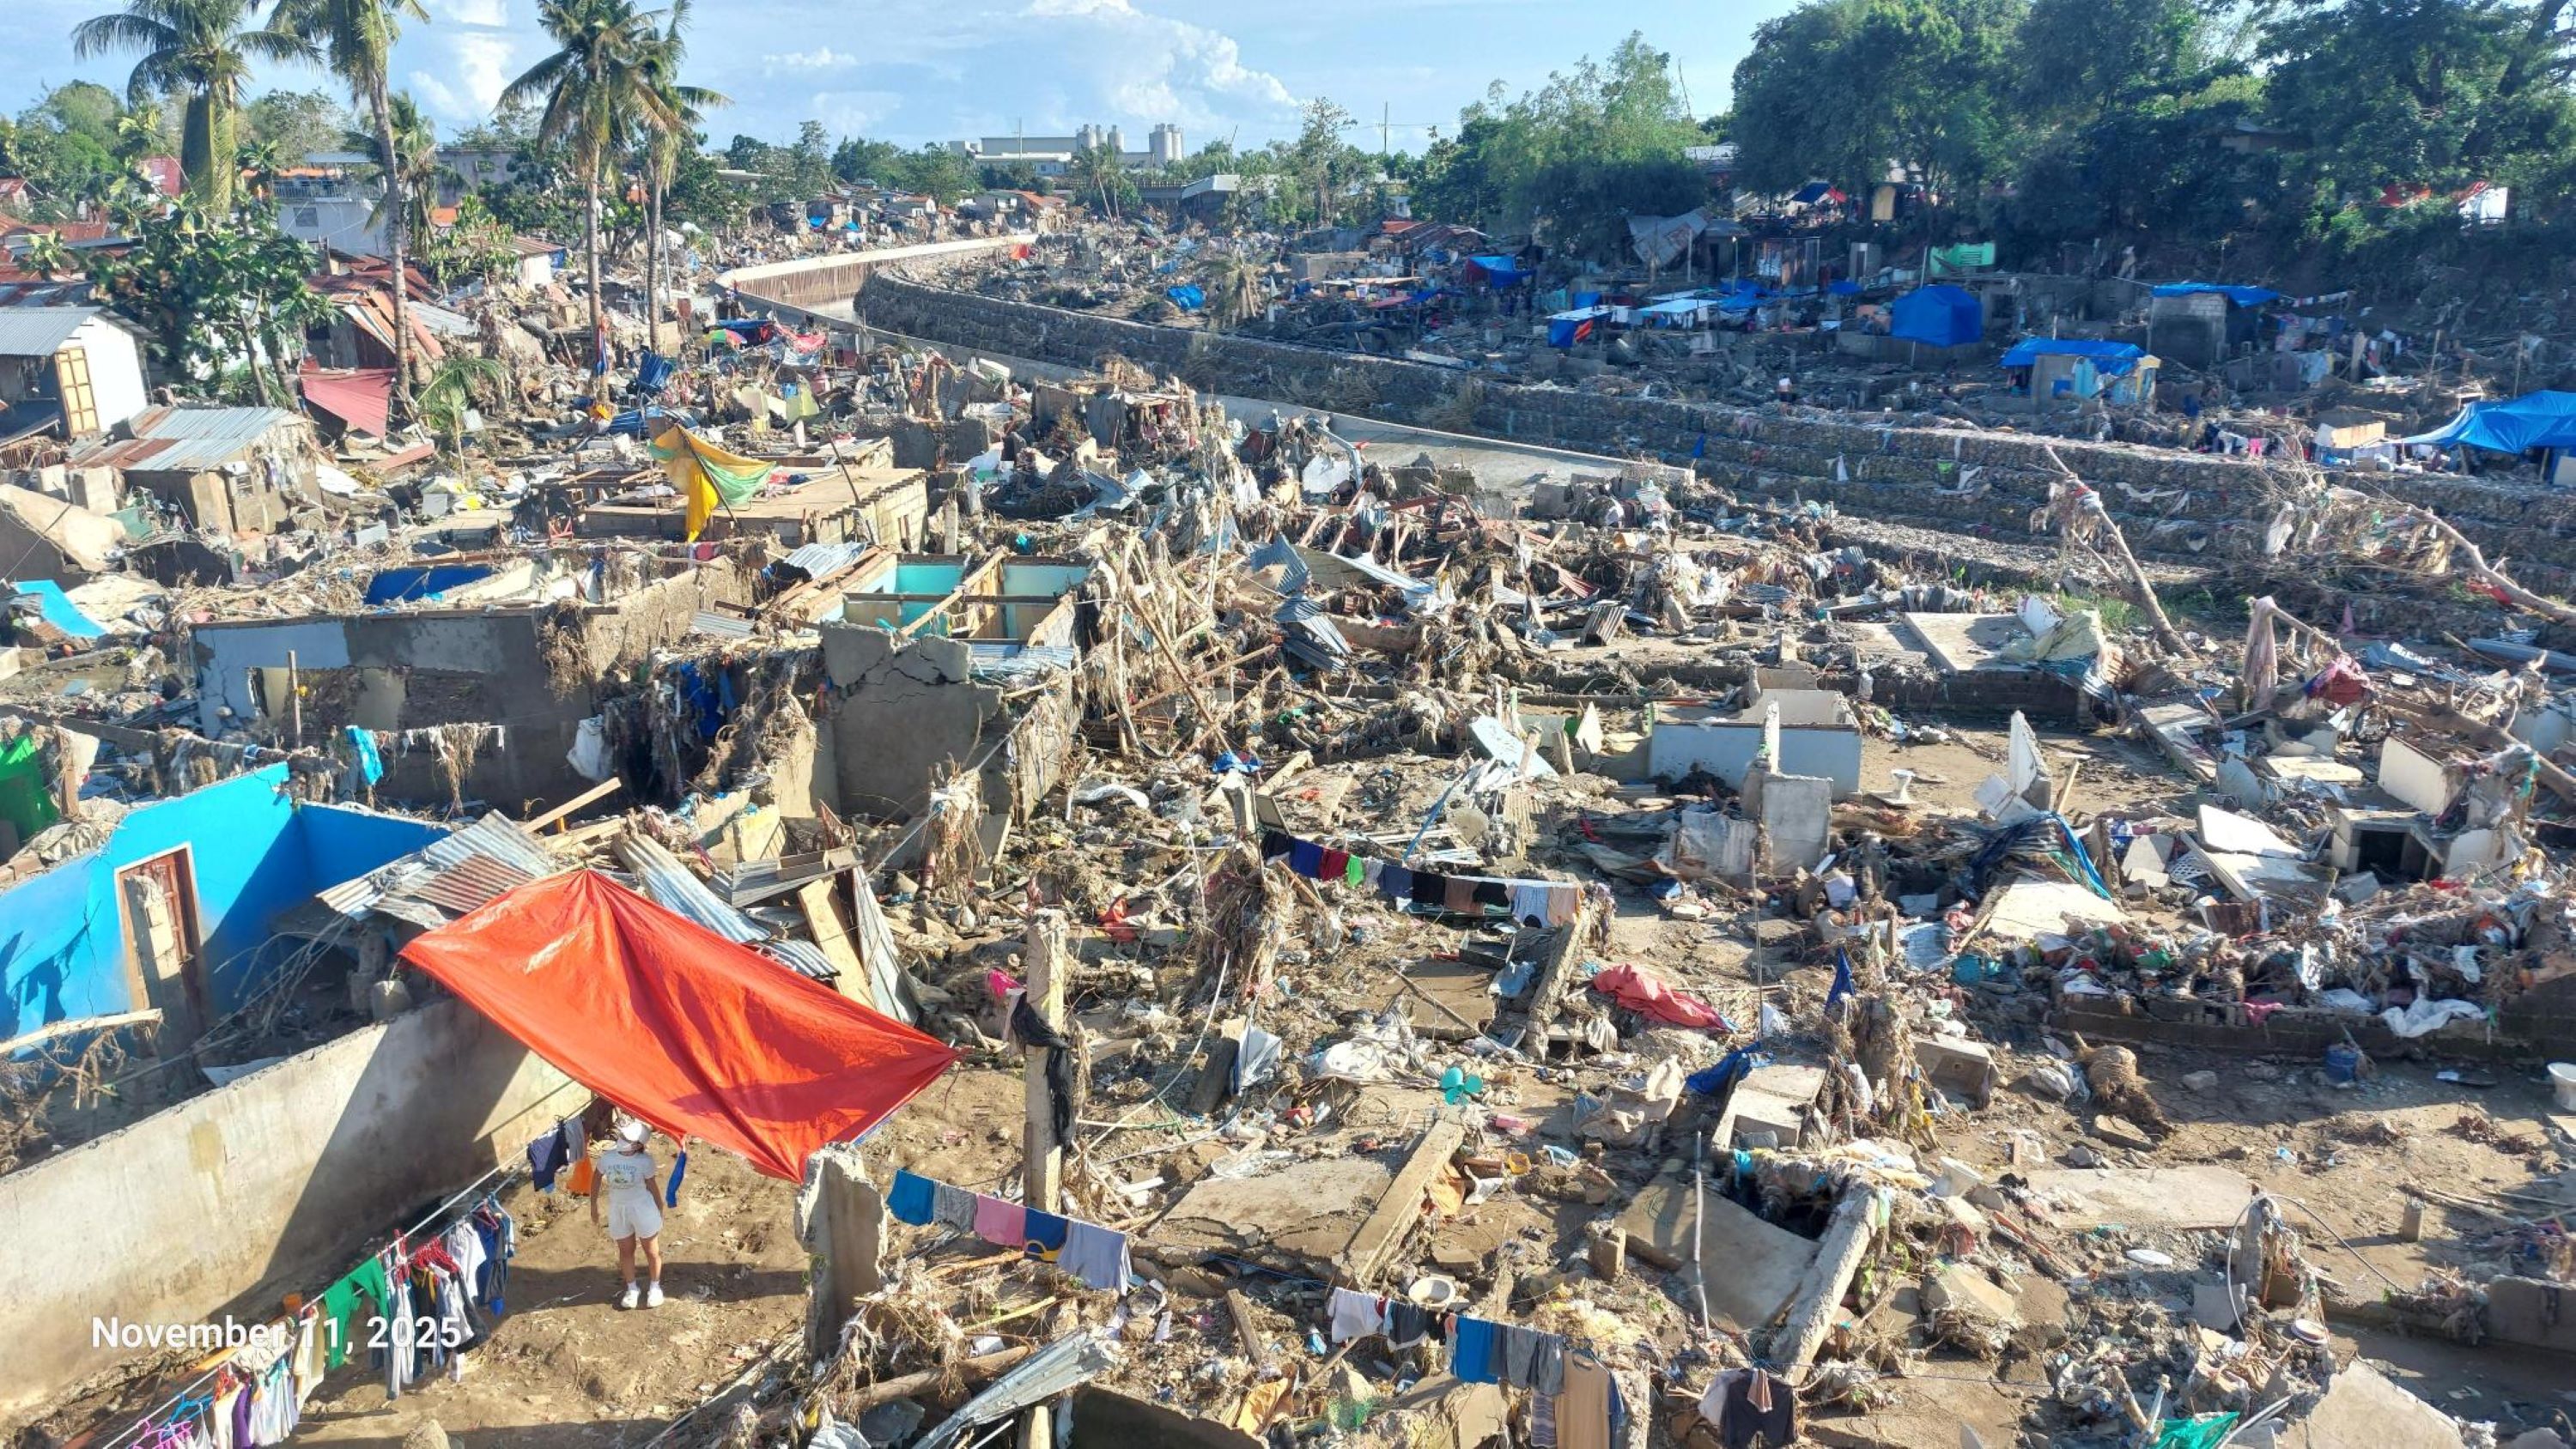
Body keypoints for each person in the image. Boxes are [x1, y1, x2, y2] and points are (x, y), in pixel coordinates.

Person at [592, 1118, 665, 1308]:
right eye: (623, 1135)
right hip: (618, 1210)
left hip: (642, 1209)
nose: (622, 1139)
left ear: (638, 1145)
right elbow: (597, 1177)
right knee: (625, 1251)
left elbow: (652, 1186)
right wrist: (593, 1206)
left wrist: (659, 1208)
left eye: (628, 1137)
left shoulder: (645, 1161)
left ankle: (655, 1287)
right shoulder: (608, 1158)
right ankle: (632, 1289)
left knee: (652, 1250)